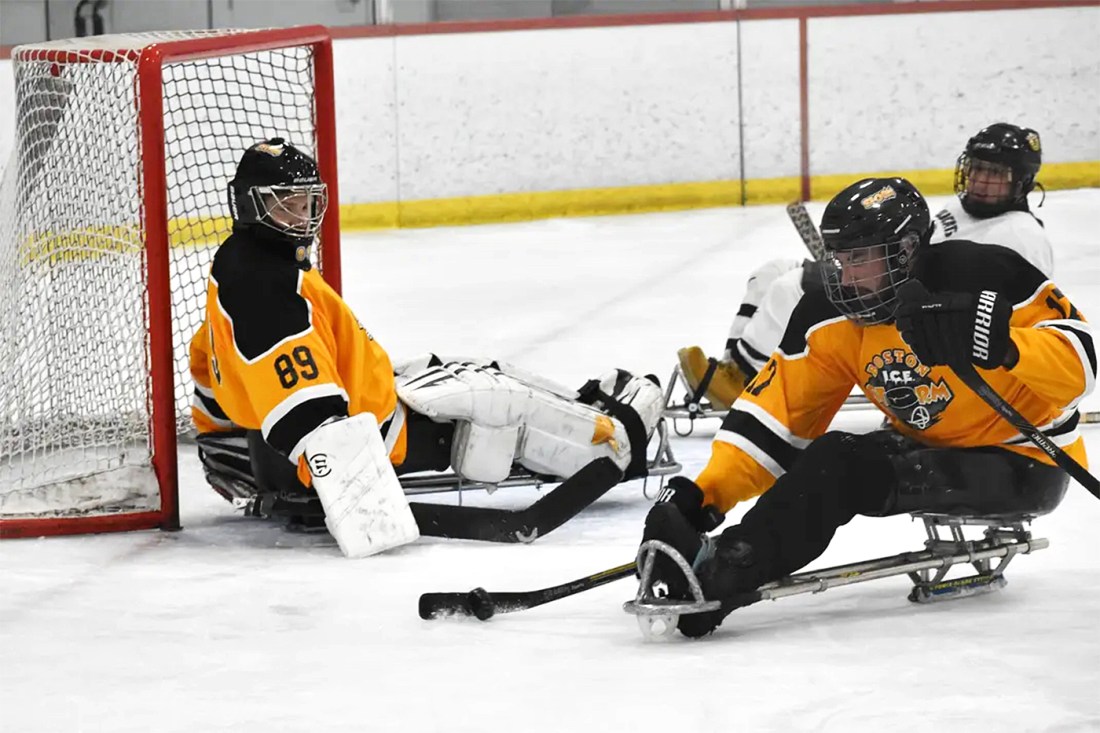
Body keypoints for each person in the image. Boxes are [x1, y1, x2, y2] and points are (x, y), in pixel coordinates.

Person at [642, 176, 1092, 637]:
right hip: (929, 445)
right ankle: (709, 558)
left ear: (907, 248)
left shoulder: (987, 273)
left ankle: (726, 572)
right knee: (834, 458)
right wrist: (703, 500)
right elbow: (774, 420)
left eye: (860, 259)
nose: (845, 276)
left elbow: (1083, 365)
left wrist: (1007, 346)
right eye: (839, 259)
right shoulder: (830, 315)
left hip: (1024, 458)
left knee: (840, 463)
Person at [189, 138, 664, 557]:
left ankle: (585, 405)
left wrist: (223, 446)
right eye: (285, 206)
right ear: (250, 207)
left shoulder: (241, 261)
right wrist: (366, 513)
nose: (303, 218)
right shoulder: (267, 288)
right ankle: (620, 439)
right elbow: (312, 422)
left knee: (473, 370)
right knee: (493, 401)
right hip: (373, 437)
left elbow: (211, 363)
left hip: (354, 409)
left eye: (308, 203)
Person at [677, 122, 1052, 411]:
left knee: (789, 288)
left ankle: (744, 382)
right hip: (889, 281)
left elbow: (1012, 314)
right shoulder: (960, 209)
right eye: (977, 169)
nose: (981, 182)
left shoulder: (1021, 237)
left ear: (1021, 181)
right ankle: (733, 370)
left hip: (909, 319)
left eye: (996, 174)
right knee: (772, 272)